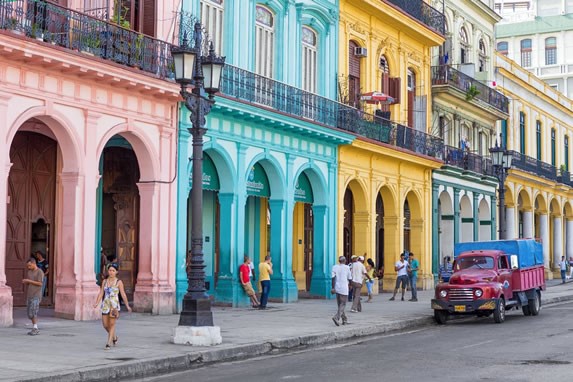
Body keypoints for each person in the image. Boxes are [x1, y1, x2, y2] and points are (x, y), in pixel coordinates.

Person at [94, 263, 132, 350]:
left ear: (116, 272)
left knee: (112, 324)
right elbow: (101, 293)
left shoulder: (119, 282)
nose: (111, 272)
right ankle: (114, 337)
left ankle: (108, 343)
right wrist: (97, 302)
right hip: (105, 305)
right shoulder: (104, 281)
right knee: (105, 325)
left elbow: (123, 294)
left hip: (114, 306)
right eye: (110, 270)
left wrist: (127, 306)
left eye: (113, 271)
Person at [23, 257, 44, 336]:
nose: (28, 267)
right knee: (29, 313)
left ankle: (35, 328)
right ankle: (35, 327)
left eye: (29, 265)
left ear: (34, 263)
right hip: (30, 294)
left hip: (36, 295)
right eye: (28, 266)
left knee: (33, 312)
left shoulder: (39, 272)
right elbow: (31, 282)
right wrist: (27, 282)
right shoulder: (29, 272)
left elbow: (40, 283)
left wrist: (29, 281)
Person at [331, 255, 352, 326]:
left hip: (337, 288)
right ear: (345, 261)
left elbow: (333, 278)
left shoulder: (335, 267)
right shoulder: (347, 267)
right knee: (343, 304)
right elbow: (349, 278)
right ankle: (336, 317)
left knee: (340, 305)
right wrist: (351, 285)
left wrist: (333, 287)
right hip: (344, 288)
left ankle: (344, 320)